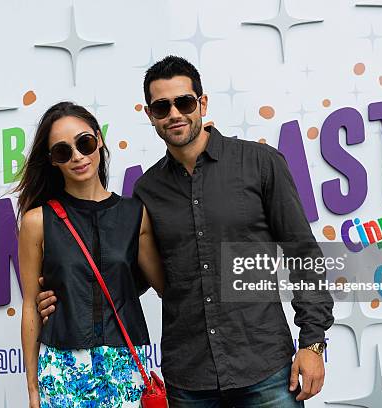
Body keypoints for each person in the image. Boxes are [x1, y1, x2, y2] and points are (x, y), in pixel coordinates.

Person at [37, 56, 334, 407]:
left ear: (202, 103)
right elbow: (131, 278)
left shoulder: (258, 163)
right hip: (190, 382)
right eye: (162, 107)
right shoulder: (146, 191)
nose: (174, 113)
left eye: (184, 102)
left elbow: (302, 254)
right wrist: (67, 293)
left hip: (264, 367)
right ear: (150, 116)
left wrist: (312, 343)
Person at [16, 101, 164, 408]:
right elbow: (31, 304)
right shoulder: (36, 222)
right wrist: (32, 388)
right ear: (52, 161)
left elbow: (166, 286)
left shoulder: (135, 214)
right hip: (62, 368)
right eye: (62, 151)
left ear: (99, 140)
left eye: (84, 143)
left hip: (125, 363)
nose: (78, 157)